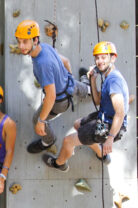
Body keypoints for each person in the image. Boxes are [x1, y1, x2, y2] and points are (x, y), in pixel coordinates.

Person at [42, 41, 129, 171]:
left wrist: (110, 138)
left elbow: (120, 112)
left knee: (68, 141)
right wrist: (92, 81)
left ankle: (59, 164)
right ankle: (102, 155)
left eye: (103, 57)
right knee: (78, 124)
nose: (99, 61)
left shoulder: (114, 81)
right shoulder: (108, 75)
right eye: (97, 58)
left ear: (113, 58)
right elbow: (98, 100)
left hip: (109, 126)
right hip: (105, 116)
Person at [14, 20, 89, 154]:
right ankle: (89, 90)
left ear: (35, 40)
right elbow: (66, 61)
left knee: (36, 119)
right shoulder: (45, 47)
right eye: (19, 41)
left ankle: (48, 141)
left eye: (25, 41)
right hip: (70, 85)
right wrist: (69, 78)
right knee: (80, 87)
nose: (21, 46)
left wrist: (41, 121)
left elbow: (51, 96)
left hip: (60, 102)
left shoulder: (42, 64)